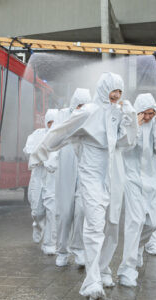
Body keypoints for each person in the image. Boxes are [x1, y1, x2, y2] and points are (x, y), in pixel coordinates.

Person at [29, 72, 137, 300]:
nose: (116, 96)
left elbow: (128, 142)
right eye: (113, 91)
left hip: (114, 175)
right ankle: (92, 281)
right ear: (103, 90)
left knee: (112, 225)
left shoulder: (119, 114)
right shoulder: (89, 112)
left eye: (120, 92)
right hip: (91, 175)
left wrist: (130, 117)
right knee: (94, 225)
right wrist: (41, 152)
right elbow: (61, 131)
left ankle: (103, 268)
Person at [117, 93, 156, 286]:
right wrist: (135, 125)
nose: (149, 117)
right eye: (145, 113)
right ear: (139, 112)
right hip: (133, 180)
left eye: (152, 113)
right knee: (135, 222)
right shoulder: (130, 123)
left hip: (153, 182)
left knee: (151, 224)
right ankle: (127, 269)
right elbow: (122, 146)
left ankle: (138, 248)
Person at [55, 88, 91, 267]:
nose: (81, 109)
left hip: (84, 169)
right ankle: (62, 250)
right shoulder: (63, 116)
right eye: (79, 105)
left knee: (82, 211)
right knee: (65, 213)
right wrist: (51, 159)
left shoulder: (91, 117)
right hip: (66, 169)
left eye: (85, 106)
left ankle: (78, 249)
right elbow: (52, 137)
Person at [23, 109, 59, 255]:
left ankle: (50, 243)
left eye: (54, 123)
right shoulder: (37, 135)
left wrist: (42, 157)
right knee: (37, 211)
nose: (52, 126)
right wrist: (44, 158)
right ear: (46, 123)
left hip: (52, 178)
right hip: (38, 177)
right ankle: (38, 225)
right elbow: (29, 151)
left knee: (52, 211)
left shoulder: (61, 137)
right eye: (49, 122)